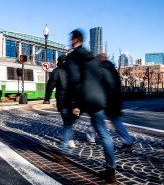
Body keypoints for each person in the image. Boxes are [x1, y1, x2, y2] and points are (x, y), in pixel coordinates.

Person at [64, 29, 116, 183]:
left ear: (74, 40)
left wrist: (75, 104)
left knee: (68, 122)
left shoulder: (73, 56)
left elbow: (74, 81)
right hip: (99, 97)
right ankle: (111, 170)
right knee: (104, 133)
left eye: (71, 39)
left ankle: (62, 152)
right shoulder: (92, 56)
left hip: (85, 98)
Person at [98, 53, 133, 149]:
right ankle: (127, 140)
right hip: (115, 99)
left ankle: (91, 137)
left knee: (97, 118)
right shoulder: (113, 69)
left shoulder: (101, 69)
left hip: (106, 100)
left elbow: (100, 85)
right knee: (115, 120)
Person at [43, 54, 78, 148]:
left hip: (63, 100)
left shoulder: (56, 71)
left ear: (59, 62)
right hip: (75, 100)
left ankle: (69, 140)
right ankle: (65, 135)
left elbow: (50, 86)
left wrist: (47, 98)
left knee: (67, 120)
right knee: (70, 119)